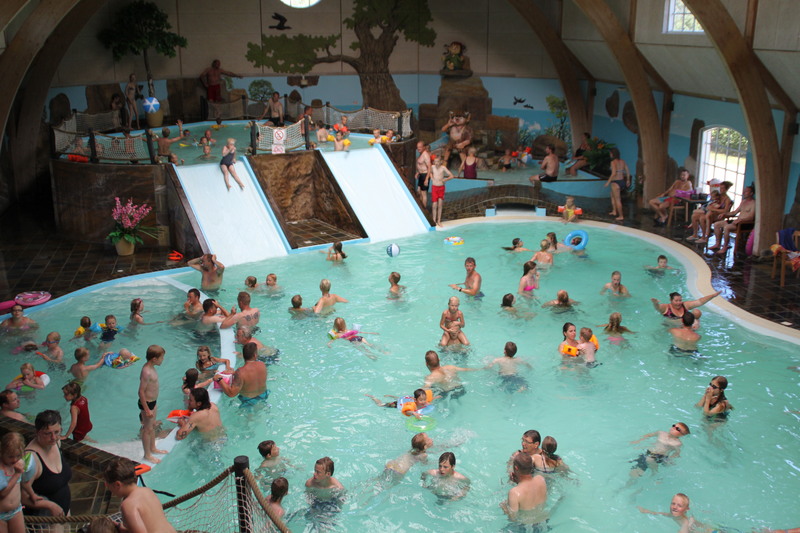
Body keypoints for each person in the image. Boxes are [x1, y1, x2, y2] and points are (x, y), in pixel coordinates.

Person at [103, 457, 177, 532]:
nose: (111, 491)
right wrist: (122, 528)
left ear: (117, 484)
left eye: (108, 487)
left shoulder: (128, 505)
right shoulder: (148, 491)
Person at [23, 410, 72, 517]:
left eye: (57, 432)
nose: (53, 437)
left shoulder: (56, 443)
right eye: (47, 433)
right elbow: (21, 494)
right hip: (45, 519)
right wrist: (50, 505)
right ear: (37, 432)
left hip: (64, 513)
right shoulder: (31, 458)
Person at [0, 431, 38, 532]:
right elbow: (2, 493)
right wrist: (17, 474)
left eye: (18, 456)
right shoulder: (1, 469)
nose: (14, 459)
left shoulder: (18, 465)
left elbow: (22, 482)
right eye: (10, 456)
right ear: (2, 452)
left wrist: (32, 494)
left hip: (16, 511)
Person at [501, 453, 548, 528]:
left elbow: (513, 518)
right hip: (543, 522)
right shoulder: (541, 479)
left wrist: (504, 507)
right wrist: (519, 482)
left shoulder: (514, 492)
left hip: (526, 527)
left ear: (516, 468)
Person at [138, 345, 167, 464]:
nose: (163, 360)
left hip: (153, 402)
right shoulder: (146, 371)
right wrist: (147, 409)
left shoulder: (152, 368)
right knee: (147, 429)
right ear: (154, 359)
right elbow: (141, 392)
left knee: (152, 427)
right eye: (162, 358)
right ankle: (147, 455)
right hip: (147, 403)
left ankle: (153, 448)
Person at [216, 342, 268, 406]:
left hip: (249, 401)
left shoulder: (240, 372)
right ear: (255, 355)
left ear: (243, 355)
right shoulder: (262, 365)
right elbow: (253, 375)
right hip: (263, 396)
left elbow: (231, 393)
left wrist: (219, 379)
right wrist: (235, 373)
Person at [710, 184, 756, 255]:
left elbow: (751, 217)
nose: (744, 192)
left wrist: (741, 220)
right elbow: (734, 212)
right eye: (744, 191)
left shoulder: (754, 203)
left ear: (751, 193)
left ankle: (725, 246)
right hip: (736, 221)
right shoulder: (743, 202)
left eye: (746, 191)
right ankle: (717, 244)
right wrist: (725, 214)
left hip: (744, 223)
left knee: (727, 227)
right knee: (717, 224)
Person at [638, 493, 705, 533]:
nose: (675, 507)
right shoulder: (673, 515)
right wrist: (648, 511)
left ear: (686, 509)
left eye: (679, 506)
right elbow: (662, 514)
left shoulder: (685, 522)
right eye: (673, 503)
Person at [651, 290, 720, 321]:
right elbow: (658, 308)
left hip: (685, 328)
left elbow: (699, 302)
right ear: (671, 300)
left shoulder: (685, 305)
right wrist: (655, 303)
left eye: (680, 300)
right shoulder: (666, 307)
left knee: (697, 312)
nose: (679, 303)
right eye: (676, 301)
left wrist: (713, 295)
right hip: (671, 328)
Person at [605, 147, 630, 221]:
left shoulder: (613, 162)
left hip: (615, 182)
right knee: (612, 196)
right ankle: (614, 211)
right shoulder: (623, 161)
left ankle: (621, 216)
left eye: (610, 153)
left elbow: (613, 173)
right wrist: (628, 180)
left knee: (617, 199)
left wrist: (608, 182)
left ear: (612, 154)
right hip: (622, 181)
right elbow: (627, 171)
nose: (610, 154)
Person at [429, 156, 455, 227]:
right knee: (434, 205)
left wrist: (445, 179)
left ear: (441, 162)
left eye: (437, 162)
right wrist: (431, 177)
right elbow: (430, 172)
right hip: (434, 187)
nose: (436, 163)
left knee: (440, 204)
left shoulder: (443, 168)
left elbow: (452, 176)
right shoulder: (432, 167)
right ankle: (434, 220)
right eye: (435, 162)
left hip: (441, 187)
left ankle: (439, 220)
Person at [415, 141, 431, 206]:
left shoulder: (425, 155)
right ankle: (421, 206)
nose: (418, 149)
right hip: (421, 175)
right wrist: (418, 173)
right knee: (419, 192)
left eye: (420, 147)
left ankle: (424, 208)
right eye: (417, 147)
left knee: (423, 194)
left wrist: (427, 179)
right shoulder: (420, 154)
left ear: (424, 147)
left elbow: (429, 167)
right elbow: (421, 165)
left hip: (425, 175)